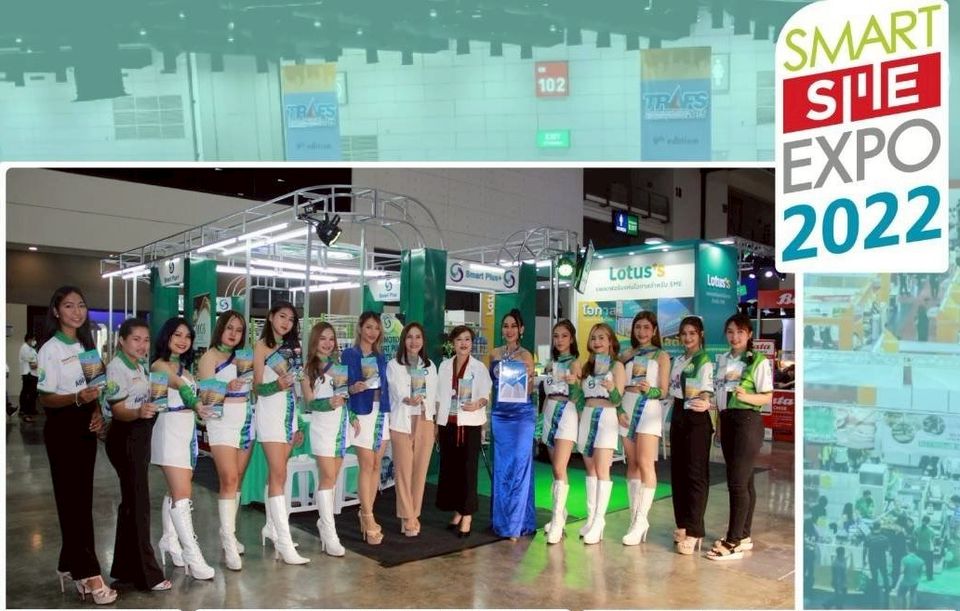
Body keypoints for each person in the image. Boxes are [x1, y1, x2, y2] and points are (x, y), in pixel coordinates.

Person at [36, 286, 116, 604]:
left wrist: (95, 412)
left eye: (81, 305)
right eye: (69, 306)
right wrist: (77, 398)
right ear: (56, 311)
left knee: (80, 500)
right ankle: (89, 573)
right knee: (72, 502)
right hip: (62, 429)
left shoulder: (86, 346)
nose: (76, 311)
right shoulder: (50, 349)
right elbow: (46, 398)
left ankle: (67, 564)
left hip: (84, 426)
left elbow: (94, 388)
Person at [103, 318, 171, 592]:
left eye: (146, 340)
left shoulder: (139, 366)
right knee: (139, 504)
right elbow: (119, 411)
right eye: (136, 339)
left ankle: (125, 569)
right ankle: (147, 575)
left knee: (131, 504)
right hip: (126, 437)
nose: (142, 345)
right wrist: (139, 412)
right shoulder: (116, 368)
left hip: (140, 435)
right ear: (122, 340)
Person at [151, 317, 216, 579]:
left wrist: (205, 407)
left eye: (187, 336)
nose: (182, 340)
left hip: (187, 433)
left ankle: (169, 540)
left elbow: (193, 396)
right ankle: (193, 556)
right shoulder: (159, 365)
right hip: (169, 432)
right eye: (177, 335)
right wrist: (195, 402)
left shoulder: (185, 368)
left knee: (176, 490)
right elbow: (177, 385)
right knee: (183, 495)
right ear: (166, 336)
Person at [707, 313, 774, 561]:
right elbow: (719, 394)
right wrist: (719, 424)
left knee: (737, 483)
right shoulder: (723, 360)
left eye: (740, 332)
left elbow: (767, 395)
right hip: (727, 420)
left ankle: (733, 541)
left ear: (749, 334)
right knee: (745, 482)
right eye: (730, 332)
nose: (734, 337)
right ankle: (744, 536)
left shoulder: (757, 361)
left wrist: (747, 397)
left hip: (747, 421)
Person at [196, 310, 255, 570]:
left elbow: (253, 387)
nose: (233, 334)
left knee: (237, 478)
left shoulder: (244, 356)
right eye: (229, 328)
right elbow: (207, 398)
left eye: (239, 330)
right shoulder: (209, 357)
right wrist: (227, 388)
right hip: (221, 422)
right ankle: (229, 542)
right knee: (229, 478)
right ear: (220, 328)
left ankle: (228, 532)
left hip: (246, 419)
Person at [253, 301, 310, 564]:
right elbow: (256, 387)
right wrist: (276, 384)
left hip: (289, 415)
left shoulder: (293, 349)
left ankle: (271, 527)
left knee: (279, 475)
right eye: (282, 316)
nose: (286, 322)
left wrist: (298, 423)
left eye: (291, 319)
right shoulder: (261, 347)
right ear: (271, 317)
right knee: (279, 475)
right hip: (270, 415)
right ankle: (285, 544)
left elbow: (297, 387)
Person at [301, 321, 359, 556]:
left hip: (340, 428)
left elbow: (344, 397)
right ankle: (329, 532)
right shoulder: (307, 370)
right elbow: (309, 402)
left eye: (331, 339)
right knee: (327, 478)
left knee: (332, 479)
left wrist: (352, 416)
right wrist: (328, 403)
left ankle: (323, 523)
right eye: (323, 338)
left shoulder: (339, 367)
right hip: (322, 429)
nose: (327, 343)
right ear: (314, 341)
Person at [617, 311, 670, 546]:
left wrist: (651, 390)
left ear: (654, 330)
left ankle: (641, 521)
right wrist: (619, 409)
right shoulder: (626, 355)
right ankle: (633, 519)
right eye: (638, 327)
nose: (642, 332)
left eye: (647, 327)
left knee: (646, 463)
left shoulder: (662, 356)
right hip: (627, 407)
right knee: (632, 463)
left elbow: (664, 391)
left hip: (648, 408)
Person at [436, 325, 491, 537]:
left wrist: (477, 404)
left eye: (467, 339)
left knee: (468, 471)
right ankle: (458, 510)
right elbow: (438, 396)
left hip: (469, 425)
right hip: (448, 424)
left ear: (472, 343)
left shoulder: (479, 367)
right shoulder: (444, 366)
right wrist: (436, 423)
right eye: (459, 339)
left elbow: (485, 395)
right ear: (453, 343)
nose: (463, 343)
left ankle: (467, 515)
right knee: (452, 470)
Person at [342, 311, 393, 545]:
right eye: (369, 327)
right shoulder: (349, 355)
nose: (373, 332)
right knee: (367, 464)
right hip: (361, 414)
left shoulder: (380, 357)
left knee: (376, 465)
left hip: (381, 413)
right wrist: (353, 389)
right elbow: (341, 387)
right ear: (360, 328)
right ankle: (368, 517)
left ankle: (366, 513)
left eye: (377, 328)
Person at [489, 309, 538, 541]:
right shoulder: (494, 354)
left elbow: (528, 390)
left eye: (513, 326)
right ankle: (502, 520)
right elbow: (490, 387)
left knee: (519, 468)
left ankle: (516, 525)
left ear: (521, 330)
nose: (509, 330)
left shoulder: (527, 356)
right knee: (502, 468)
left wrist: (529, 377)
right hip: (500, 415)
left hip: (521, 416)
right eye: (506, 326)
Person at [386, 322, 439, 538]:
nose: (414, 341)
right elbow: (395, 391)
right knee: (403, 471)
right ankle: (407, 516)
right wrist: (407, 398)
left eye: (418, 337)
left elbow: (434, 395)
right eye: (409, 337)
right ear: (403, 340)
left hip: (424, 420)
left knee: (419, 471)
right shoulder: (393, 365)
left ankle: (413, 515)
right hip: (402, 421)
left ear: (423, 341)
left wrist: (432, 416)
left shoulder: (430, 366)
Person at [668, 315, 715, 555]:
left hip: (696, 418)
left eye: (692, 334)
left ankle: (695, 530)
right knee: (678, 473)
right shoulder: (678, 360)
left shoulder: (704, 360)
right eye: (684, 334)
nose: (687, 338)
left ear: (700, 335)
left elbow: (706, 390)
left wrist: (705, 401)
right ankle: (683, 524)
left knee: (696, 475)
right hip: (678, 414)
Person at [577, 322, 627, 545]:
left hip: (606, 417)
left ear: (610, 342)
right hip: (587, 417)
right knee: (590, 469)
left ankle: (599, 521)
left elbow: (618, 400)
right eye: (594, 338)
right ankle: (591, 518)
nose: (597, 342)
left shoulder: (617, 367)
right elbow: (580, 396)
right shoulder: (586, 367)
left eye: (602, 338)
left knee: (602, 469)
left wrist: (611, 388)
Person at [540, 320, 583, 544]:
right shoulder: (550, 363)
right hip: (549, 413)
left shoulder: (575, 364)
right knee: (555, 470)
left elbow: (578, 397)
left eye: (564, 335)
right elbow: (547, 393)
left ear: (572, 338)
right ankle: (561, 513)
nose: (559, 340)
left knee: (559, 467)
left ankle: (557, 520)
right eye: (556, 335)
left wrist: (573, 383)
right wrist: (541, 419)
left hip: (567, 413)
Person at [864, 521, 891, 604]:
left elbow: (865, 549)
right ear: (880, 527)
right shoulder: (884, 538)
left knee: (874, 576)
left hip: (872, 559)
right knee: (884, 575)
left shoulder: (868, 537)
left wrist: (863, 560)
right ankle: (887, 591)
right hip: (882, 559)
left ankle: (874, 594)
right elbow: (888, 549)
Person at [18, 332, 39, 422]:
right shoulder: (25, 348)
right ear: (29, 339)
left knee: (33, 393)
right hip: (28, 374)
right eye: (33, 339)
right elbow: (32, 364)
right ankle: (24, 410)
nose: (35, 341)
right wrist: (41, 364)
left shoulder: (31, 349)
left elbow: (36, 361)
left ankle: (31, 409)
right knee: (26, 392)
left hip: (33, 374)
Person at [896, 543, 925, 609]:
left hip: (905, 581)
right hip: (915, 581)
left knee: (900, 595)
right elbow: (921, 573)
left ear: (908, 549)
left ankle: (902, 608)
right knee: (913, 595)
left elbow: (901, 571)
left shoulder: (905, 559)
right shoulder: (921, 561)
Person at [915, 515, 935, 580]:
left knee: (918, 563)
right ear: (929, 522)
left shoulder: (917, 529)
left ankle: (917, 576)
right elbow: (933, 539)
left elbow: (914, 537)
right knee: (929, 564)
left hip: (919, 548)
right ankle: (929, 577)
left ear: (922, 521)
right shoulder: (931, 530)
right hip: (928, 549)